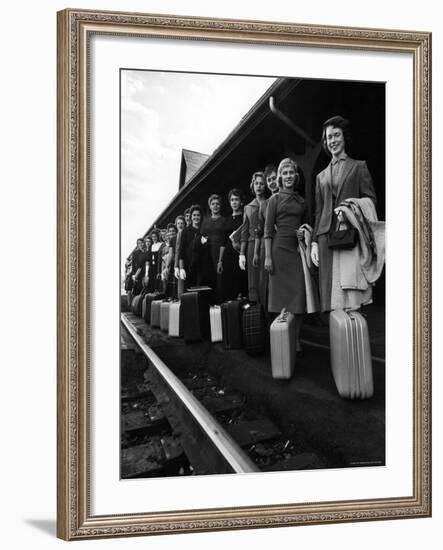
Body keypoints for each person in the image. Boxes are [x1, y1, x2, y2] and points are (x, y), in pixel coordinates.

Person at [311, 115, 376, 311]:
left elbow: (370, 200)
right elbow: (318, 211)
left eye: (336, 135)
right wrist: (314, 241)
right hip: (325, 239)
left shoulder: (359, 167)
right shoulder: (320, 177)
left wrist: (350, 207)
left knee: (351, 294)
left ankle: (353, 336)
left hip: (350, 236)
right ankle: (338, 337)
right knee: (331, 298)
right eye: (329, 137)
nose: (333, 141)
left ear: (344, 137)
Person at [264, 158, 307, 352]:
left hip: (296, 252)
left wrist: (303, 234)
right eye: (285, 173)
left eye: (291, 173)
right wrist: (267, 257)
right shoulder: (274, 199)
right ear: (280, 177)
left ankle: (295, 338)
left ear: (295, 176)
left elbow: (307, 226)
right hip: (279, 251)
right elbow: (267, 231)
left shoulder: (301, 201)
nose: (288, 176)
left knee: (299, 296)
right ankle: (282, 339)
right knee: (281, 299)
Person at [240, 172, 267, 303]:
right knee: (253, 279)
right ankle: (256, 312)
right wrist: (241, 254)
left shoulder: (270, 203)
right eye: (256, 183)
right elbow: (244, 232)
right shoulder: (248, 207)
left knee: (266, 277)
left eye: (262, 183)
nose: (259, 186)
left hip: (267, 243)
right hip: (251, 245)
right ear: (252, 185)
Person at [254, 164, 279, 308]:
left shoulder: (286, 198)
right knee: (267, 284)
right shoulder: (264, 205)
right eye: (269, 180)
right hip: (267, 248)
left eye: (274, 178)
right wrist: (256, 253)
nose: (272, 182)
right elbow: (259, 230)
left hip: (283, 245)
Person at [222, 188, 248, 301]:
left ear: (241, 202)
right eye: (232, 200)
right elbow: (223, 242)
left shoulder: (245, 217)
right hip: (228, 256)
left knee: (241, 283)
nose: (234, 202)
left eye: (236, 199)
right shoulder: (227, 219)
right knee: (229, 285)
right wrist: (220, 260)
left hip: (240, 254)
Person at [200, 194, 226, 302]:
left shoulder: (224, 220)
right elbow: (202, 237)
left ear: (220, 206)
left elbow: (225, 240)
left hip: (220, 252)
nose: (215, 206)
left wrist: (221, 259)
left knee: (220, 279)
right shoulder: (205, 221)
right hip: (207, 253)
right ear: (209, 206)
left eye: (217, 204)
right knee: (208, 278)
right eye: (213, 204)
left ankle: (219, 305)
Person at [177, 204, 206, 290]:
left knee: (201, 290)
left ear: (201, 216)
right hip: (189, 266)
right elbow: (181, 251)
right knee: (190, 293)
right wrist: (181, 268)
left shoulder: (203, 229)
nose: (196, 217)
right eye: (194, 215)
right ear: (191, 217)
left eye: (198, 215)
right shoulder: (186, 231)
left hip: (202, 266)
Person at [172, 215, 186, 298]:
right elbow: (177, 252)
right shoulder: (177, 236)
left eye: (182, 223)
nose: (180, 225)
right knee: (180, 286)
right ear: (176, 225)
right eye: (178, 223)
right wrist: (176, 266)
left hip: (185, 262)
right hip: (179, 263)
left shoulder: (185, 233)